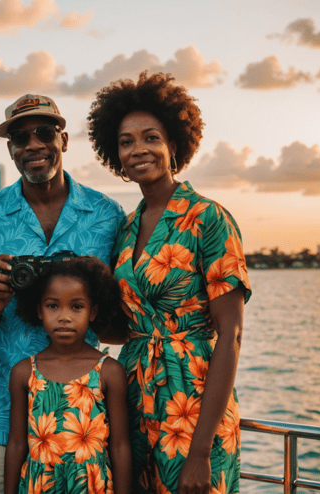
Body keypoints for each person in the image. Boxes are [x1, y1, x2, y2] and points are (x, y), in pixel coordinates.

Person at [87, 71, 252, 494]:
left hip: (194, 405)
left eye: (150, 137)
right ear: (114, 153)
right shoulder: (124, 231)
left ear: (174, 146)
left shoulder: (208, 219)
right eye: (126, 141)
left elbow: (230, 336)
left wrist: (199, 452)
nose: (138, 149)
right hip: (135, 401)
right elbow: (123, 329)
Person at [0, 94, 127, 493]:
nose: (33, 144)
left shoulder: (107, 216)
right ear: (11, 150)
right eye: (21, 137)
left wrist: (93, 294)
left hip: (84, 425)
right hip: (1, 420)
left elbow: (123, 328)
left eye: (45, 132)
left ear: (64, 140)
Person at [5, 257, 132, 494]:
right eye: (53, 306)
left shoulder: (109, 372)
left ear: (93, 311)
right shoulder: (23, 373)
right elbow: (16, 444)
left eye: (77, 307)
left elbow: (120, 446)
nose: (64, 317)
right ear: (39, 310)